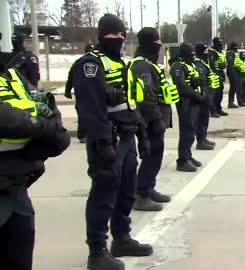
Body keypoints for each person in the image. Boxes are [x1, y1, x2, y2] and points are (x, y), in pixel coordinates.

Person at [70, 14, 152, 270]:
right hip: (108, 139)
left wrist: (142, 133)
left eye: (121, 35)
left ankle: (122, 238)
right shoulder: (90, 65)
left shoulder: (122, 65)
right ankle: (97, 251)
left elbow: (130, 102)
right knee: (103, 194)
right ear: (102, 36)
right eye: (113, 35)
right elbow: (91, 109)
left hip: (127, 137)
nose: (118, 40)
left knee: (126, 191)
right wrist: (103, 143)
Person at [0, 65, 70, 270]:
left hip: (16, 187)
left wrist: (54, 132)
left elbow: (44, 102)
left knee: (19, 256)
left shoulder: (12, 74)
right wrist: (41, 125)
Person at [129, 27, 177, 211]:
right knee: (151, 156)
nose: (158, 46)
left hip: (154, 119)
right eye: (156, 43)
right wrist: (156, 120)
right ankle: (140, 194)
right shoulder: (142, 65)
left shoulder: (148, 63)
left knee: (156, 156)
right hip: (149, 121)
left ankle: (148, 188)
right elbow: (147, 97)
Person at [169, 42, 209, 172]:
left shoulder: (190, 65)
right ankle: (182, 160)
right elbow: (181, 86)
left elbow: (196, 81)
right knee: (186, 131)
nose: (193, 56)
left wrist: (201, 90)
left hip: (194, 102)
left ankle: (188, 156)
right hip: (185, 102)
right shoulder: (177, 66)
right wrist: (196, 95)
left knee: (192, 131)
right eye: (190, 54)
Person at [65, 43, 96, 143]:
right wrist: (68, 90)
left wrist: (68, 90)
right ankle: (83, 135)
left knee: (84, 113)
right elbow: (71, 76)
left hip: (83, 92)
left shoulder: (79, 62)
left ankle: (84, 135)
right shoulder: (96, 61)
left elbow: (70, 76)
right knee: (87, 113)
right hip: (87, 92)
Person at [193, 42, 220, 150]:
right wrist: (204, 95)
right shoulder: (198, 64)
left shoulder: (204, 63)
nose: (207, 53)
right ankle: (200, 141)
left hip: (208, 96)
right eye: (205, 51)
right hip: (203, 96)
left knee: (205, 118)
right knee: (201, 119)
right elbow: (201, 81)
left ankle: (203, 138)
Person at [208, 37, 228, 117]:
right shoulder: (212, 53)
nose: (220, 45)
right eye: (219, 43)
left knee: (220, 93)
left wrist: (224, 65)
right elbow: (212, 65)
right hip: (215, 74)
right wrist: (216, 75)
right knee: (215, 94)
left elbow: (223, 62)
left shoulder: (220, 52)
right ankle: (213, 111)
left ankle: (218, 109)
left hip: (220, 72)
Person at [226, 42, 245, 108]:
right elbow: (230, 64)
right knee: (233, 87)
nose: (237, 48)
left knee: (237, 87)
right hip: (233, 72)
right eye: (235, 46)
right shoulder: (230, 53)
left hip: (237, 72)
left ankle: (239, 101)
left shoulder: (235, 53)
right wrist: (235, 69)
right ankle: (231, 102)